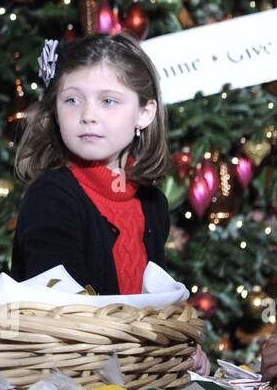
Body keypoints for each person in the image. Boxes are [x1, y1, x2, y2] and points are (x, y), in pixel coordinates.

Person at [12, 32, 170, 294]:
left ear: (144, 113)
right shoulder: (51, 197)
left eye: (108, 101)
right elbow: (61, 312)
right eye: (72, 100)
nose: (87, 115)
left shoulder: (154, 204)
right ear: (56, 112)